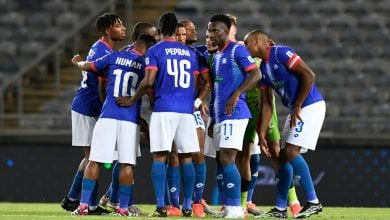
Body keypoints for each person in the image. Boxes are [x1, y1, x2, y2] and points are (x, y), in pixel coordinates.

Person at [116, 12, 203, 217]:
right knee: (187, 157)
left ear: (161, 29)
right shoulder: (190, 53)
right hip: (186, 111)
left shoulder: (155, 51)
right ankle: (188, 205)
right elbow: (197, 83)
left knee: (160, 156)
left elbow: (148, 81)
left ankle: (162, 206)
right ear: (175, 30)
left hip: (164, 108)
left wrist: (131, 99)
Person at [70, 34, 157, 216]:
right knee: (126, 164)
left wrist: (78, 63)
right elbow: (151, 92)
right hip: (130, 119)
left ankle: (84, 205)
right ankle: (123, 208)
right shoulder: (147, 65)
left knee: (95, 161)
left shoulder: (114, 56)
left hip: (108, 115)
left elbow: (89, 66)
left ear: (135, 44)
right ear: (148, 49)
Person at [244, 30, 325, 218]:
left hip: (310, 105)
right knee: (282, 157)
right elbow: (266, 104)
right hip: (296, 108)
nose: (245, 47)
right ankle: (280, 208)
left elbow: (309, 75)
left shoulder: (281, 53)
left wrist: (297, 105)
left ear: (257, 42)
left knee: (290, 152)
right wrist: (261, 133)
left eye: (247, 43)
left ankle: (314, 202)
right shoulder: (263, 70)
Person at [60, 13, 126, 214]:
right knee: (94, 157)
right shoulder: (101, 51)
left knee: (91, 156)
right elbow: (100, 88)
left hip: (87, 106)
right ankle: (91, 204)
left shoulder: (100, 47)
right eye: (118, 25)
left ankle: (72, 198)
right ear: (108, 30)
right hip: (88, 107)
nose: (123, 28)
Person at [98, 21, 159, 217]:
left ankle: (110, 197)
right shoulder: (140, 59)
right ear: (140, 39)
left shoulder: (122, 55)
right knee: (127, 160)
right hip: (127, 112)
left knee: (126, 159)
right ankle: (125, 203)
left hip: (128, 112)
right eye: (152, 37)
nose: (155, 40)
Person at [207, 14, 261, 218]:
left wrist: (237, 94)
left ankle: (237, 208)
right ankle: (228, 207)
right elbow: (217, 91)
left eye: (216, 30)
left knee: (228, 158)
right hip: (221, 116)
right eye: (210, 30)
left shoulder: (237, 50)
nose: (211, 34)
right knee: (221, 160)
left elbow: (256, 74)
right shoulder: (217, 55)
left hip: (235, 114)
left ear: (227, 31)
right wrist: (213, 119)